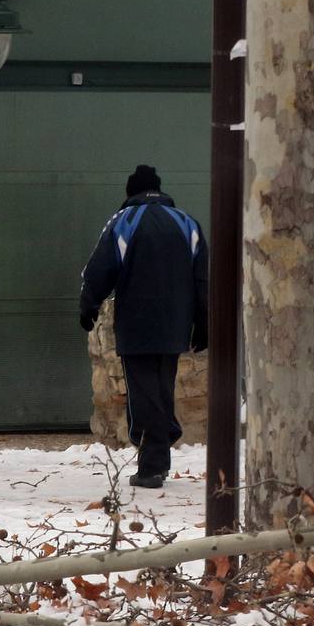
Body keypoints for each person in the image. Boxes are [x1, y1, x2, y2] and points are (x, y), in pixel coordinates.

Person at [79, 165, 209, 488]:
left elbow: (98, 270)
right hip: (176, 323)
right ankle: (161, 451)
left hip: (136, 321)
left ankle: (152, 464)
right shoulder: (187, 223)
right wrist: (204, 322)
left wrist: (88, 306)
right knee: (162, 390)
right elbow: (203, 278)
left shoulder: (123, 221)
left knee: (144, 394)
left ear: (131, 192)